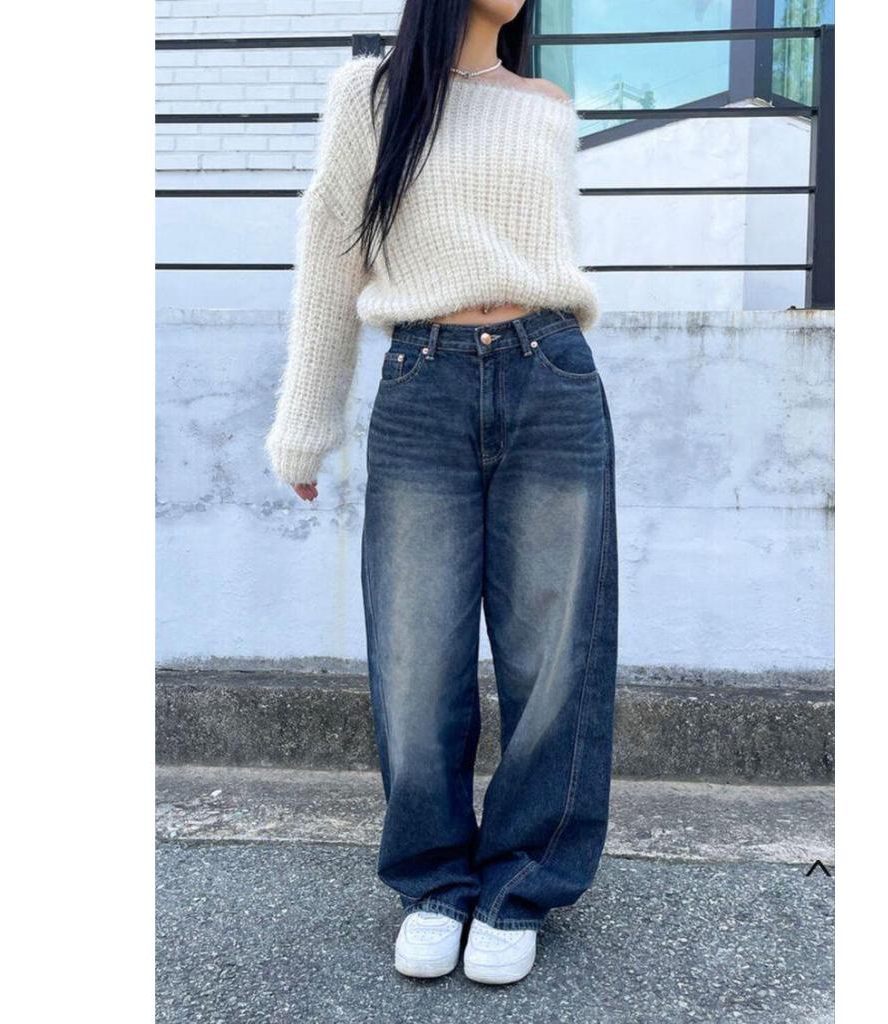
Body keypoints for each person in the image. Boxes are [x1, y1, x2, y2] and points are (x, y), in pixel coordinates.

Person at [264, 0, 617, 986]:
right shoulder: (370, 96)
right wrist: (306, 421)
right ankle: (433, 884)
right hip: (423, 382)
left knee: (556, 652)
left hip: (552, 373)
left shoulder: (546, 104)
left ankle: (522, 884)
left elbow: (555, 249)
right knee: (416, 653)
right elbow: (333, 252)